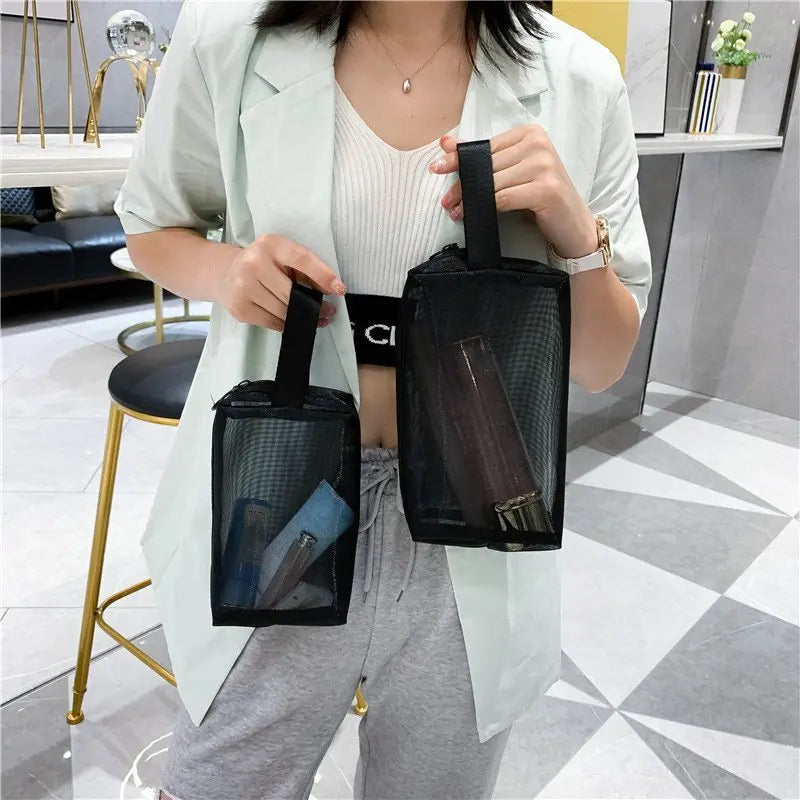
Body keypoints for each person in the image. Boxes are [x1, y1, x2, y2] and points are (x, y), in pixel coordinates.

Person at [116, 1, 651, 798]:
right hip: (283, 495)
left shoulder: (579, 77)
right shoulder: (230, 35)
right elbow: (153, 226)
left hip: (475, 518)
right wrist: (227, 271)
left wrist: (578, 235)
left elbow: (604, 362)